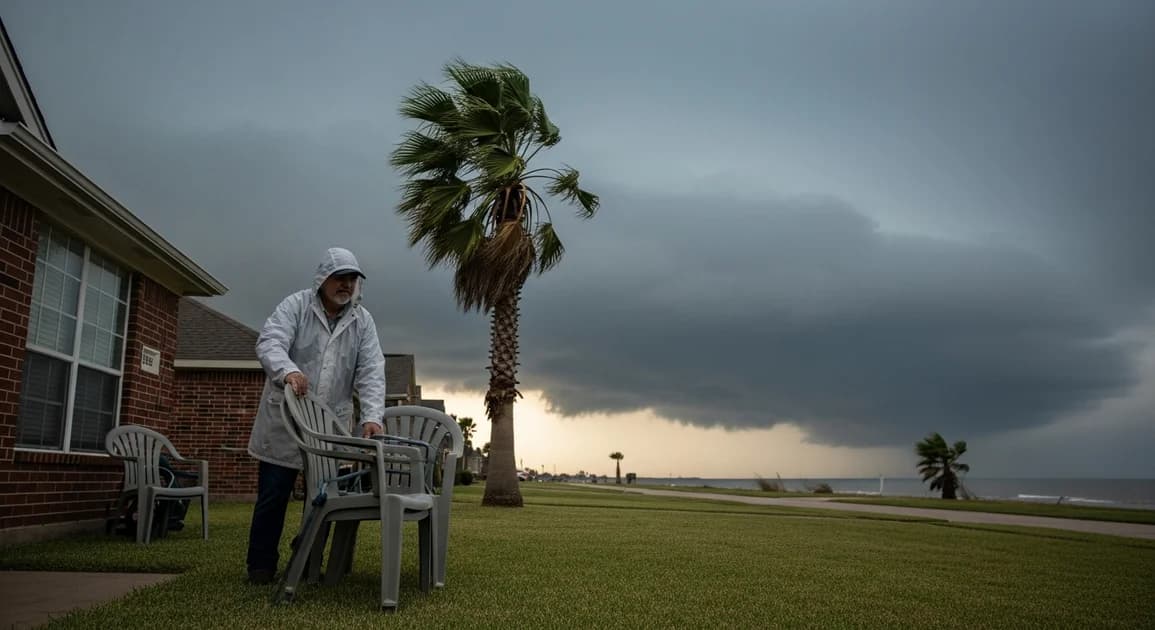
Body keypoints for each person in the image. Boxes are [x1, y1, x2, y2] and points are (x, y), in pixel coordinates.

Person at [245, 247, 386, 584]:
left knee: (322, 499)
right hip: (285, 422)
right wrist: (288, 372)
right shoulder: (295, 306)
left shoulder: (362, 321)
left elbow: (371, 371)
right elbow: (270, 343)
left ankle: (308, 559)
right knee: (273, 496)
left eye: (352, 279)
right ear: (323, 278)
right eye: (340, 277)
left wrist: (372, 417)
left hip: (330, 427)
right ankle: (261, 566)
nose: (347, 285)